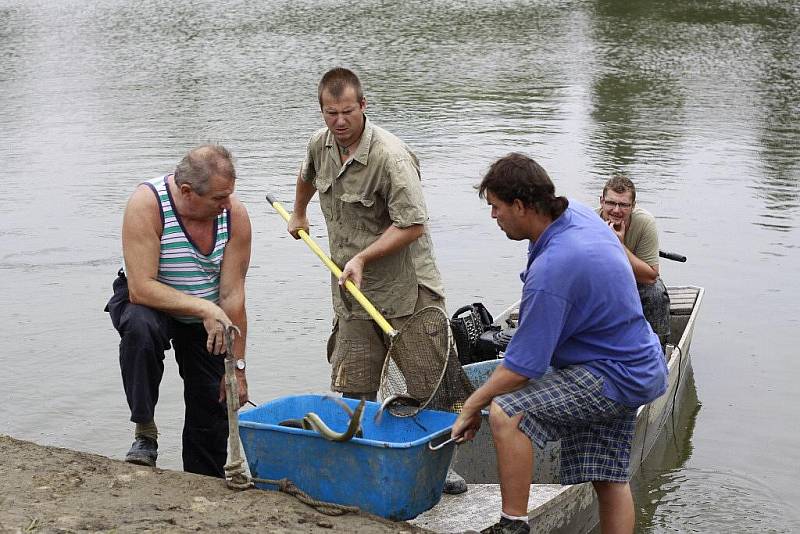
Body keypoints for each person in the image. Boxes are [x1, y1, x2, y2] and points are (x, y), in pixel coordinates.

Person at [452, 154, 667, 534]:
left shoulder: (553, 268)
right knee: (608, 475)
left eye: (496, 208)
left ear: (520, 206)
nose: (493, 217)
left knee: (507, 413)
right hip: (638, 363)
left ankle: (513, 524)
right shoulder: (578, 214)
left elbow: (523, 369)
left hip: (612, 373)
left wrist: (472, 405)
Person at [286, 67, 466, 493]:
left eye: (347, 111)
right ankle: (360, 459)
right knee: (352, 382)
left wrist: (364, 257)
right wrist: (299, 212)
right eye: (331, 113)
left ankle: (441, 465)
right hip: (352, 289)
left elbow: (413, 224)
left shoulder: (391, 157)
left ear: (363, 106)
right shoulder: (320, 144)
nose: (339, 122)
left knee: (426, 383)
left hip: (408, 289)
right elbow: (307, 176)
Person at [105, 145, 251, 478]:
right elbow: (141, 288)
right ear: (187, 192)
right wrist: (202, 307)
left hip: (209, 316)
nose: (227, 204)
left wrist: (238, 368)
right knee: (141, 329)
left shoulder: (234, 215)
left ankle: (203, 479)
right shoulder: (147, 204)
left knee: (214, 399)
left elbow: (232, 295)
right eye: (218, 198)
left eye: (229, 195)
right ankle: (145, 432)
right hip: (151, 304)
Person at [597, 176, 671, 349]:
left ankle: (657, 351)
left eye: (623, 205)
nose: (616, 210)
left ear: (633, 206)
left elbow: (651, 276)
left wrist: (620, 246)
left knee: (656, 293)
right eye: (611, 203)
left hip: (635, 280)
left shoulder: (644, 223)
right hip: (599, 281)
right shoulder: (589, 222)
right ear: (601, 201)